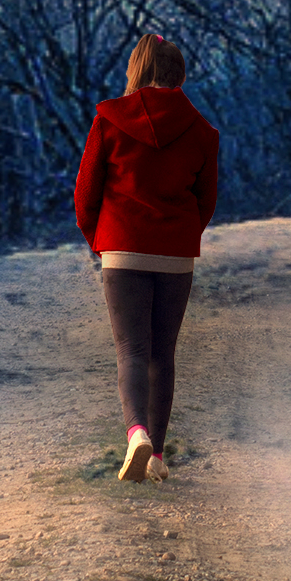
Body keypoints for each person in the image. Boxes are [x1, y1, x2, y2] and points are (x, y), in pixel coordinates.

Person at [74, 31, 219, 483]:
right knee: (163, 353)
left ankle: (136, 434)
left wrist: (98, 240)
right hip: (175, 255)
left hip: (122, 249)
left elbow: (85, 194)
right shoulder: (202, 131)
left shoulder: (108, 120)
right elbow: (206, 199)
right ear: (178, 75)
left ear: (136, 69)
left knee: (131, 351)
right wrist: (181, 236)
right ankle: (157, 457)